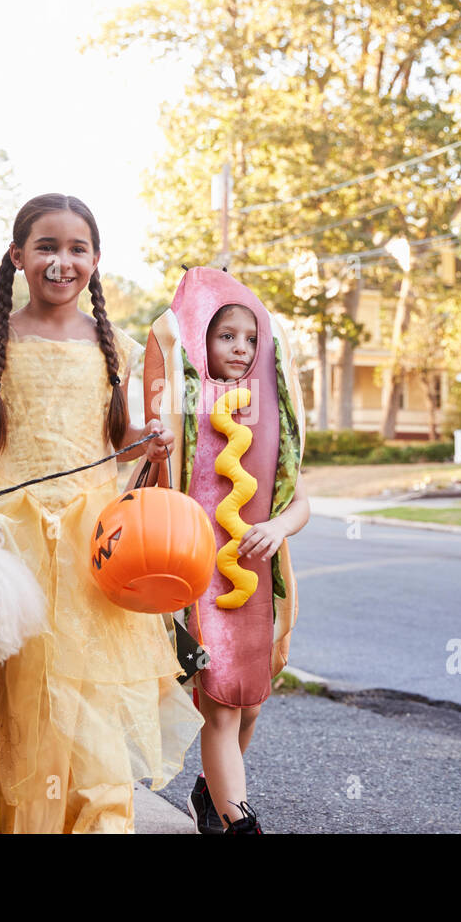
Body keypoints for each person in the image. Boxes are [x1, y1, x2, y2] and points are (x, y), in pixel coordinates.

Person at [0, 193, 203, 834]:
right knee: (10, 694)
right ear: (17, 256)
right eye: (46, 246)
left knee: (89, 693)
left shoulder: (117, 346)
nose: (62, 261)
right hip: (6, 538)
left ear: (96, 261)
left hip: (95, 545)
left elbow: (124, 436)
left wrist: (150, 435)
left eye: (77, 249)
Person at [141, 268, 309, 834]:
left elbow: (300, 501)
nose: (240, 348)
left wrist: (280, 526)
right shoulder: (181, 413)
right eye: (224, 336)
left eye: (250, 338)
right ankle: (240, 820)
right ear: (200, 340)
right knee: (219, 702)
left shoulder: (267, 413)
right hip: (198, 578)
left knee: (250, 703)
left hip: (258, 576)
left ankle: (210, 793)